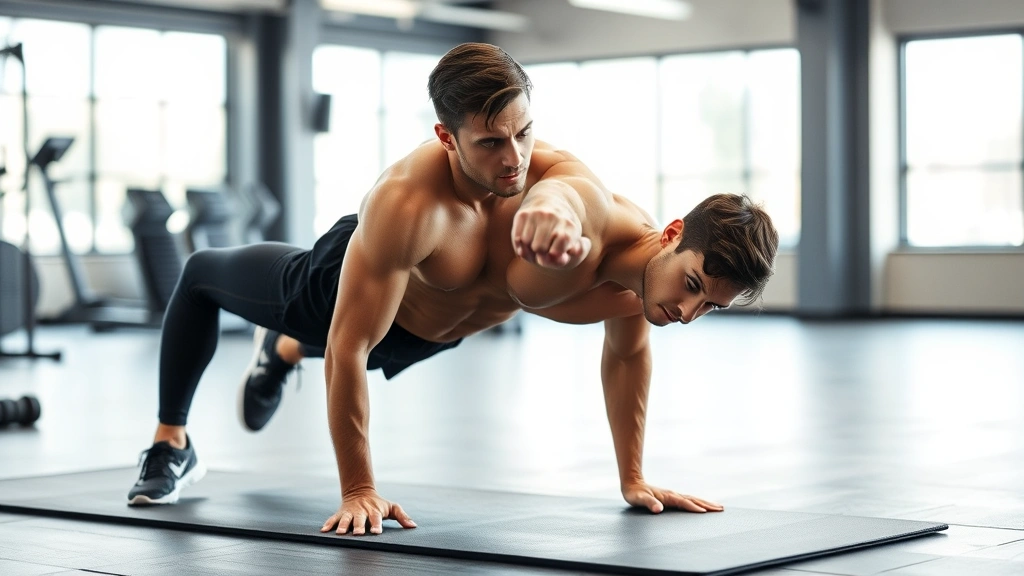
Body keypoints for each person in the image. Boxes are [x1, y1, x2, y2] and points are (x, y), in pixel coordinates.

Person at [127, 42, 779, 537]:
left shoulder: (630, 268)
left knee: (370, 345)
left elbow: (627, 349)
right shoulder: (410, 203)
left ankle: (284, 353)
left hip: (431, 331)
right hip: (351, 284)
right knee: (203, 274)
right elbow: (352, 345)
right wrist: (359, 488)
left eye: (524, 134)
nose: (516, 159)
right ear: (447, 137)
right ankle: (171, 443)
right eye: (492, 142)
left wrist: (632, 478)